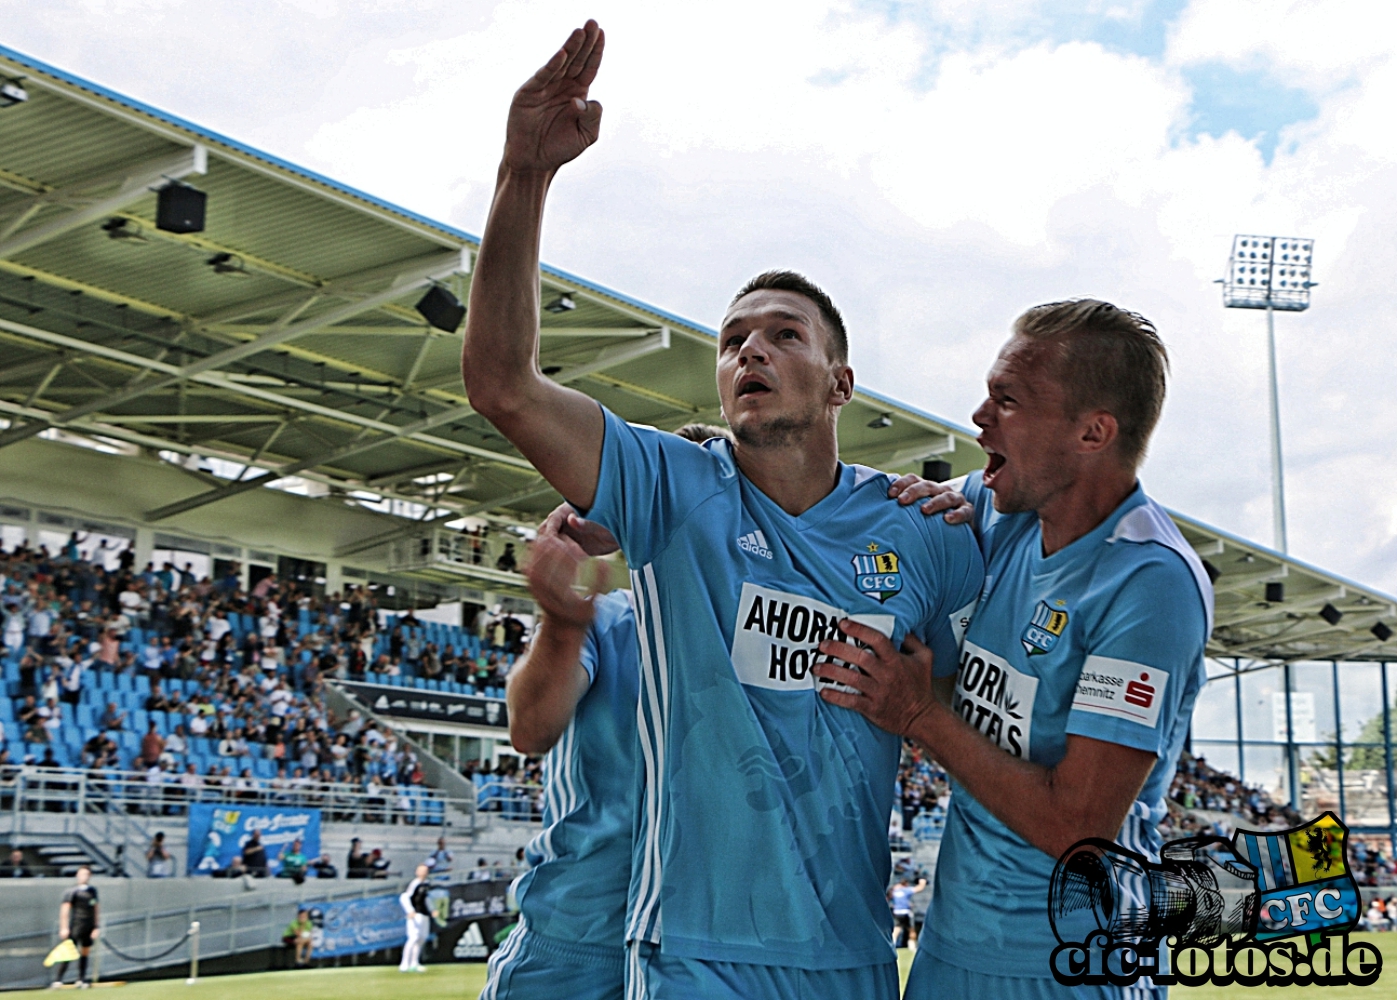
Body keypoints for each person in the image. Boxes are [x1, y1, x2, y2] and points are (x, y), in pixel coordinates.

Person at [460, 23, 982, 999]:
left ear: (839, 382)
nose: (748, 350)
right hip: (691, 959)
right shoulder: (671, 490)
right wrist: (521, 174)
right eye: (731, 338)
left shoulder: (922, 531)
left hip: (853, 958)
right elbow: (501, 383)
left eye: (782, 335)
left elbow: (996, 678)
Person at [813, 301, 1213, 998]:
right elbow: (848, 532)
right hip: (951, 953)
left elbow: (1077, 827)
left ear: (1092, 432)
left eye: (1008, 399)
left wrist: (919, 716)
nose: (978, 416)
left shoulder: (1149, 582)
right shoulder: (996, 512)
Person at [57, 865, 100, 986]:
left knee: (85, 952)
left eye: (86, 874)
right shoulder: (72, 891)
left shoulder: (92, 891)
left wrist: (96, 926)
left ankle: (81, 979)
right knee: (69, 952)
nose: (83, 876)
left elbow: (96, 909)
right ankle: (58, 979)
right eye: (81, 874)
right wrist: (64, 927)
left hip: (88, 926)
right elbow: (65, 910)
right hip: (75, 925)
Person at [398, 863, 431, 974]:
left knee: (421, 938)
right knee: (413, 938)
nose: (424, 873)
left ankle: (414, 963)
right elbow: (404, 897)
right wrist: (410, 910)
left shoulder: (426, 884)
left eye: (426, 870)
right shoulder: (415, 884)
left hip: (424, 914)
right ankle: (404, 963)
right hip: (415, 915)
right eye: (422, 870)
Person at [888, 875, 927, 950]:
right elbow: (919, 888)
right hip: (905, 912)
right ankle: (912, 946)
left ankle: (892, 945)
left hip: (897, 912)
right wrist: (923, 882)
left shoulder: (894, 891)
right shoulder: (905, 890)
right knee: (911, 930)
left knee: (896, 929)